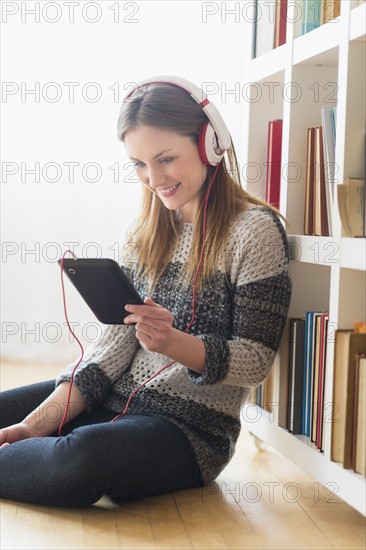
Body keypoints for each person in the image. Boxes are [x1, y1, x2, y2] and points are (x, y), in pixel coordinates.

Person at [0, 76, 292, 508]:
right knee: (19, 419)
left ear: (210, 143)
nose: (153, 178)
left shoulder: (257, 232)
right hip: (112, 402)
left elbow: (254, 362)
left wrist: (175, 344)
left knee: (80, 459)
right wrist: (33, 427)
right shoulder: (143, 232)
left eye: (166, 158)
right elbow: (109, 352)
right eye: (139, 164)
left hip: (191, 431)